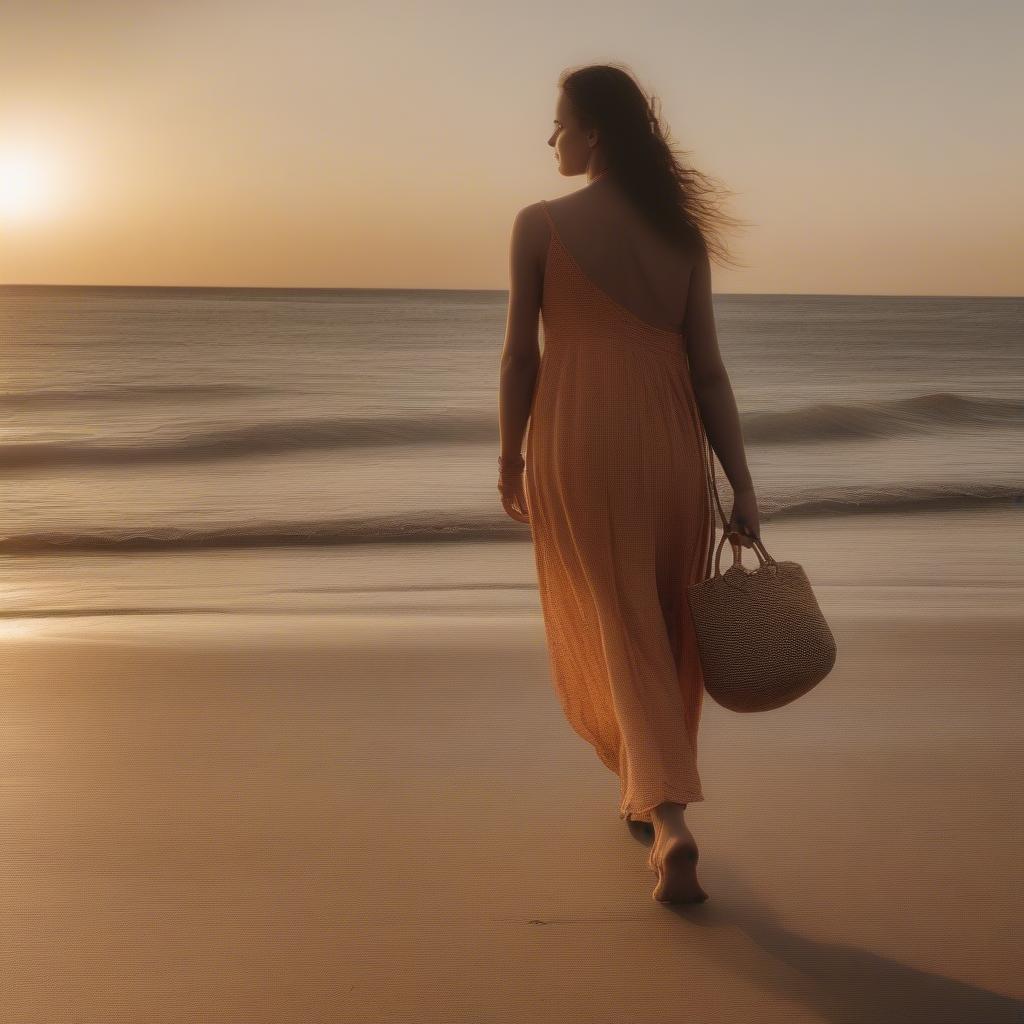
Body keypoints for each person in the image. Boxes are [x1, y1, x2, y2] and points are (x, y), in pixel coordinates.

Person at [497, 64, 760, 905]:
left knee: (621, 626)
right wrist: (743, 483)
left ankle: (669, 820)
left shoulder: (540, 225)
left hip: (580, 442)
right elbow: (711, 373)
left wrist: (510, 457)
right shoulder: (680, 237)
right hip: (672, 443)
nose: (552, 139)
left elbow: (519, 357)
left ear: (595, 132)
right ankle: (650, 800)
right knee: (664, 624)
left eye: (560, 123)